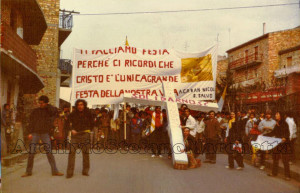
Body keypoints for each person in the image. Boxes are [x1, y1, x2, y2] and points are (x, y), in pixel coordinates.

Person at [22, 95, 63, 177]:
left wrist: (48, 106)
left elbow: (55, 111)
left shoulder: (49, 111)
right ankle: (28, 171)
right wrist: (29, 133)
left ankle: (55, 171)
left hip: (45, 134)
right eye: (39, 103)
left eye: (42, 103)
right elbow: (31, 122)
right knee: (31, 153)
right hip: (35, 133)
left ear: (46, 103)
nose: (40, 105)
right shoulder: (35, 111)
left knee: (49, 152)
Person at [66, 99, 93, 178]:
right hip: (75, 136)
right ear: (76, 106)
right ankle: (70, 172)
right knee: (71, 152)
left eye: (81, 105)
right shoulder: (73, 114)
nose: (80, 106)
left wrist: (88, 130)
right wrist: (72, 129)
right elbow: (67, 124)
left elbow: (93, 123)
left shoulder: (88, 113)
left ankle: (85, 171)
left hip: (85, 135)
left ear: (84, 105)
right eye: (78, 105)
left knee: (85, 154)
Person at [265, 111, 291, 181]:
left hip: (284, 144)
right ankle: (274, 173)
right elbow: (273, 132)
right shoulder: (277, 124)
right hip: (278, 143)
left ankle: (287, 176)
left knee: (285, 160)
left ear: (280, 115)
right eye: (276, 114)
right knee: (275, 159)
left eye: (277, 114)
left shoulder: (284, 123)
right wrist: (265, 135)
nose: (275, 115)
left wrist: (284, 137)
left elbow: (287, 133)